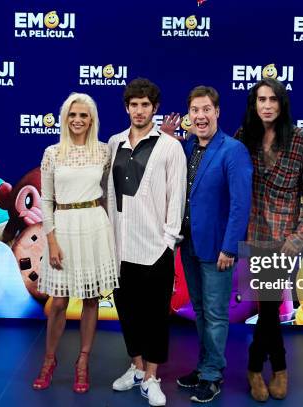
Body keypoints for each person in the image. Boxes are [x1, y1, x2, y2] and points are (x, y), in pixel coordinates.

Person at [235, 78, 303, 401]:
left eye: (272, 99)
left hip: (285, 240)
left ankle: (261, 368)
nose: (267, 105)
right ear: (253, 105)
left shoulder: (300, 141)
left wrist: (299, 238)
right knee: (269, 306)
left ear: (281, 104)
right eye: (261, 99)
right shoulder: (244, 137)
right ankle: (271, 369)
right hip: (254, 235)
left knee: (269, 307)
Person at [108, 78, 187, 407]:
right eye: (134, 104)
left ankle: (152, 378)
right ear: (127, 107)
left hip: (155, 249)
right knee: (127, 314)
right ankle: (136, 369)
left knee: (155, 317)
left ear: (155, 109)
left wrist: (168, 241)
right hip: (119, 248)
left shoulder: (170, 147)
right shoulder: (114, 143)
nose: (139, 110)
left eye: (145, 105)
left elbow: (176, 197)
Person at [33, 92, 118, 394]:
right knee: (58, 301)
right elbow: (45, 199)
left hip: (95, 225)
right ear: (65, 118)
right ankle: (49, 360)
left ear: (92, 119)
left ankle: (82, 362)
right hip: (64, 227)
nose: (78, 120)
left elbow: (109, 194)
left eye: (83, 115)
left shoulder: (105, 151)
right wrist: (51, 240)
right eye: (72, 115)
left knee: (92, 298)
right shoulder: (52, 153)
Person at [176, 86, 253, 403]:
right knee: (200, 310)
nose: (200, 116)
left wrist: (230, 248)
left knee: (217, 313)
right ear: (189, 115)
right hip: (189, 244)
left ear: (217, 112)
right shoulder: (188, 147)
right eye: (195, 110)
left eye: (206, 109)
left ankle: (212, 376)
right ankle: (205, 366)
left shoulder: (233, 150)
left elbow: (240, 204)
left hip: (218, 248)